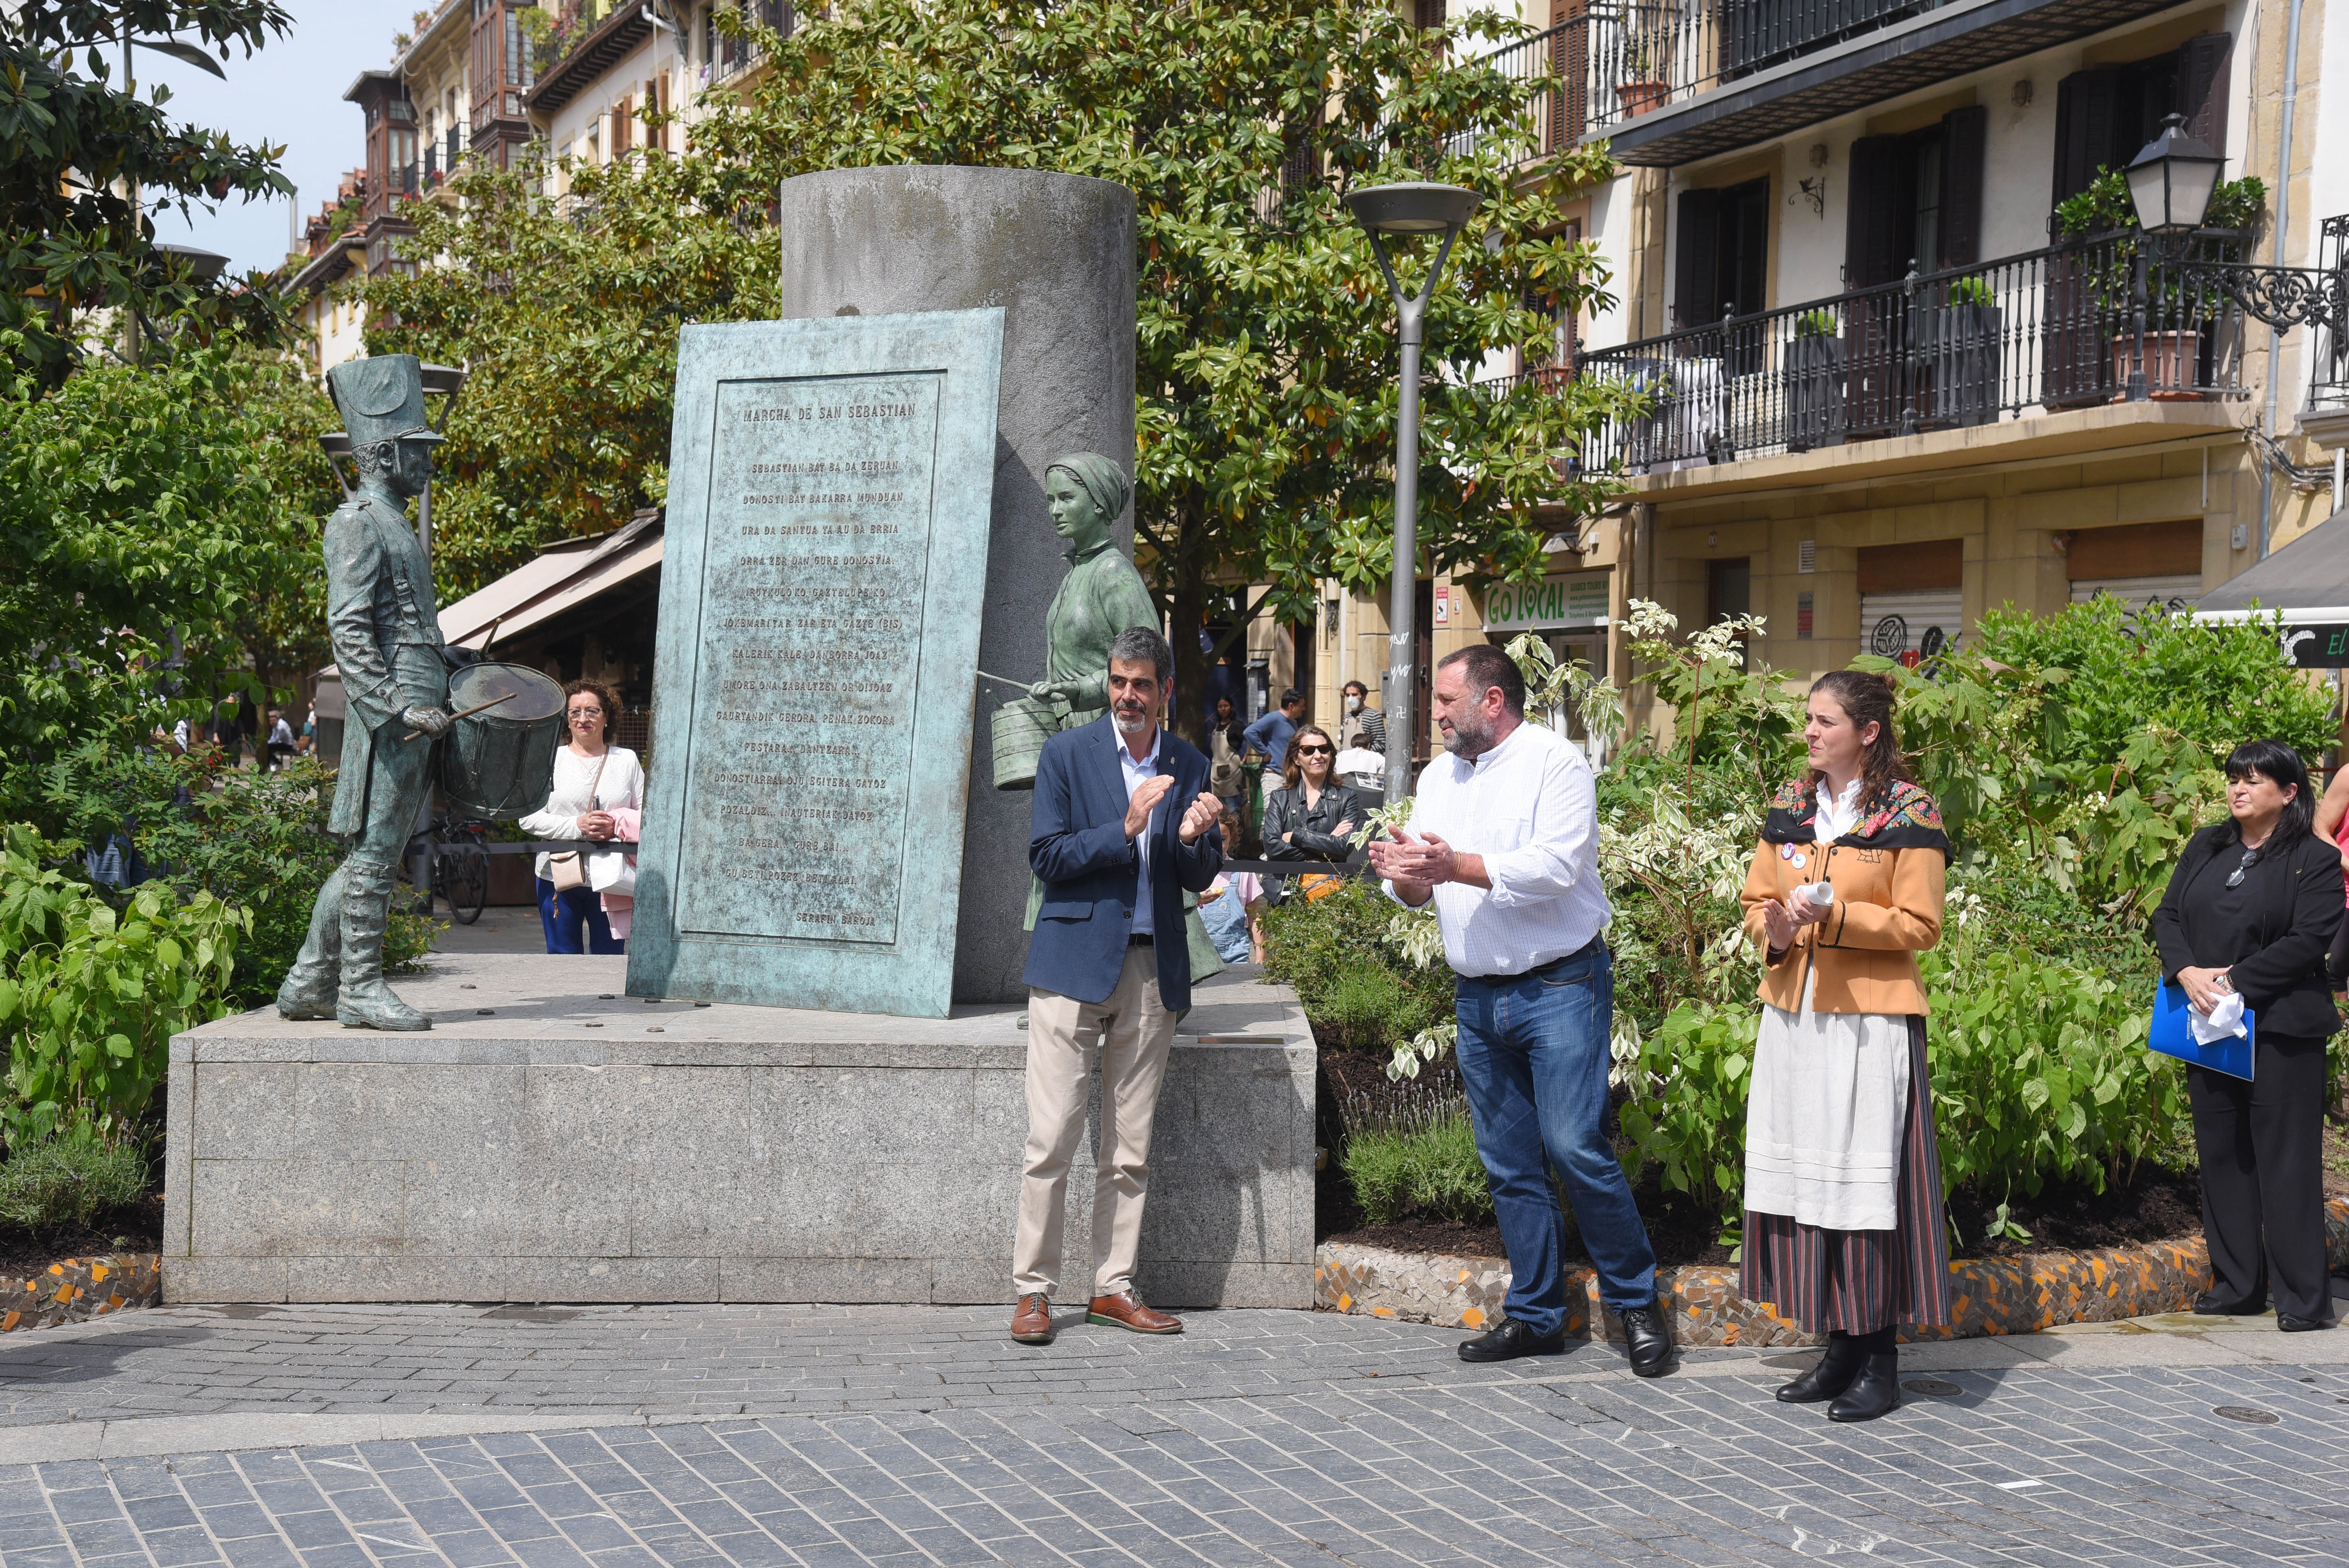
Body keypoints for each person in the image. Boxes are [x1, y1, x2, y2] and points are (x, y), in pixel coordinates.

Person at [1365, 644, 1669, 1376]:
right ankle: (1537, 1317)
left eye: (1447, 701)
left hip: (1560, 985)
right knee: (1507, 1163)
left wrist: (1454, 866)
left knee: (1574, 1147)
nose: (1436, 715)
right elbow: (1421, 890)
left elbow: (1556, 868)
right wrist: (1407, 876)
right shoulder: (1438, 777)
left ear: (1492, 701)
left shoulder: (1554, 763)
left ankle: (1637, 1304)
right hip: (1478, 995)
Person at [1737, 670, 1954, 1423]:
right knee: (1815, 1183)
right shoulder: (1791, 805)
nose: (1809, 731)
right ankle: (1838, 1350)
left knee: (1865, 1189)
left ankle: (1879, 1361)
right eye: (1808, 718)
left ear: (1867, 732)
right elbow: (1755, 901)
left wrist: (1832, 918)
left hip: (1869, 1021)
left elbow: (1920, 925)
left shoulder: (1910, 811)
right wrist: (1774, 928)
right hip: (1793, 1018)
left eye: (1824, 720)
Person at [1012, 626, 1223, 1347]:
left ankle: (1113, 1286)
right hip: (1071, 968)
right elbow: (1046, 856)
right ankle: (1034, 1292)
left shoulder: (1188, 762)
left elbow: (1197, 875)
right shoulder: (1066, 754)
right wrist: (1126, 828)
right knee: (1051, 1140)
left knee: (1129, 1149)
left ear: (1165, 691)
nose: (1127, 696)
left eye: (1141, 684)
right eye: (1118, 682)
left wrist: (1195, 837)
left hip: (1150, 969)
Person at [273, 355, 457, 1030]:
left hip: (415, 697)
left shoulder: (394, 520)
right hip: (394, 709)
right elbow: (348, 630)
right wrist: (396, 707)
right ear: (381, 455)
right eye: (418, 449)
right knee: (377, 851)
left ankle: (308, 983)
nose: (429, 461)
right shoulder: (356, 522)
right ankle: (357, 988)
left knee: (373, 850)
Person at [2153, 739, 2343, 1331]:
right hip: (2207, 1019)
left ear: (2288, 792)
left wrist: (2233, 980)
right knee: (2222, 1152)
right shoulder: (2207, 845)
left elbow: (2310, 939)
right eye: (2234, 778)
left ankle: (2303, 1299)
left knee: (2286, 1161)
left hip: (2281, 1024)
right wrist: (2187, 971)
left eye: (2254, 780)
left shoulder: (2313, 856)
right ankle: (2238, 1286)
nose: (2238, 788)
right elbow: (2167, 915)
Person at [520, 678, 645, 955]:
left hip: (613, 877)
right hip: (557, 874)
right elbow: (527, 818)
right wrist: (578, 826)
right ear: (566, 719)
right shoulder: (550, 760)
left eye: (592, 711)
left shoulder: (626, 761)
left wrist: (616, 826)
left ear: (607, 716)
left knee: (609, 959)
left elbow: (648, 816)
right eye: (575, 711)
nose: (583, 719)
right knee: (562, 960)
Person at [1260, 724, 1360, 904]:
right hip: (1285, 897)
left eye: (1324, 749)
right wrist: (1326, 844)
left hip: (1331, 897)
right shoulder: (1280, 797)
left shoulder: (1346, 797)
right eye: (1309, 750)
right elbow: (1272, 848)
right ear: (1296, 758)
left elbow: (1344, 847)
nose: (1318, 755)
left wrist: (1295, 836)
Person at [1244, 688, 1305, 772]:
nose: (1304, 709)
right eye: (1301, 706)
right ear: (1291, 706)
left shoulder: (1294, 723)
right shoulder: (1273, 718)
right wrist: (1265, 753)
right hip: (1273, 774)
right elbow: (1249, 732)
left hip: (1288, 774)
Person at [1208, 695, 1248, 818]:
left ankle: (1235, 830)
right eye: (1220, 706)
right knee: (1219, 808)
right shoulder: (1216, 726)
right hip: (1216, 772)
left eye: (1226, 706)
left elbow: (1250, 740)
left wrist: (1244, 760)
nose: (1223, 709)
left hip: (1232, 772)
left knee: (1231, 807)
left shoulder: (1236, 725)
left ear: (1231, 707)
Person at [1342, 679, 1386, 753]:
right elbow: (1344, 743)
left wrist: (1363, 754)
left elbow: (1382, 744)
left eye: (1354, 695)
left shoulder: (1374, 716)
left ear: (1363, 697)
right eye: (1348, 695)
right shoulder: (1347, 717)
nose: (1350, 699)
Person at [265, 708, 295, 772]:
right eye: (270, 720)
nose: (272, 722)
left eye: (273, 720)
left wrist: (268, 743)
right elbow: (273, 737)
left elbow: (277, 739)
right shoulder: (276, 725)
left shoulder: (281, 726)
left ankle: (277, 763)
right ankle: (273, 764)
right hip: (282, 743)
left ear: (277, 718)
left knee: (268, 748)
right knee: (268, 748)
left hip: (288, 745)